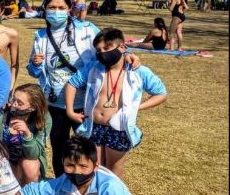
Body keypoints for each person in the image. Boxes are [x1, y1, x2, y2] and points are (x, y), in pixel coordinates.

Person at [26, 0, 141, 178]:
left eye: (61, 8)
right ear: (45, 9)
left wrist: (126, 54)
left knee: (88, 149)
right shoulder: (41, 36)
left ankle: (90, 186)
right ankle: (63, 186)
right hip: (55, 103)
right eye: (52, 7)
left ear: (69, 9)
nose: (56, 12)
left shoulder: (86, 29)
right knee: (59, 148)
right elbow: (34, 71)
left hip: (86, 103)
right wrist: (35, 64)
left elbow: (108, 46)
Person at [65, 28, 167, 179]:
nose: (102, 53)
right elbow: (72, 83)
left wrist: (137, 107)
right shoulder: (93, 68)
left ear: (122, 47)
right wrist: (70, 111)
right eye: (98, 50)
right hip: (93, 126)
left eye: (106, 48)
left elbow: (161, 93)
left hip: (119, 128)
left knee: (114, 168)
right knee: (93, 166)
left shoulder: (138, 71)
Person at [0, 83, 51, 185]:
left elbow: (33, 155)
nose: (14, 104)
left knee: (30, 164)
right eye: (13, 100)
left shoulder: (43, 120)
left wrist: (27, 134)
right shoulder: (2, 117)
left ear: (33, 107)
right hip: (4, 160)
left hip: (26, 162)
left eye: (20, 103)